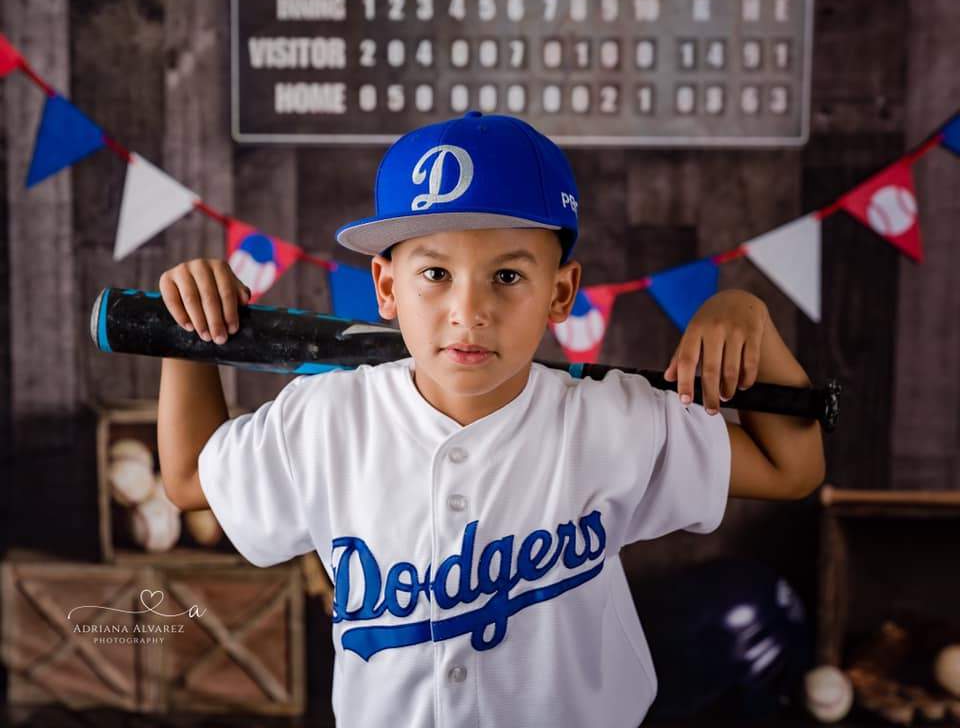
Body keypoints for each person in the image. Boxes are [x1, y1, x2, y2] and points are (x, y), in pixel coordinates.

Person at [157, 111, 825, 727]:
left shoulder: (612, 419)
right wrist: (187, 335)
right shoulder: (331, 417)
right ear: (387, 288)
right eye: (436, 273)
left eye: (507, 277)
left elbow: (790, 469)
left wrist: (750, 319)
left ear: (559, 293)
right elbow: (189, 480)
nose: (467, 310)